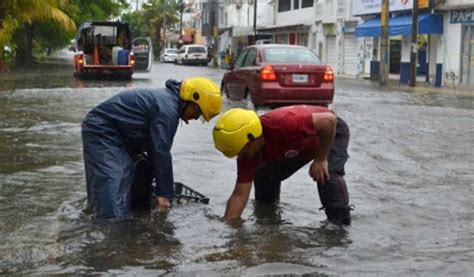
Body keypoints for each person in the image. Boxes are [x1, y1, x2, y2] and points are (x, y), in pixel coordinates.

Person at [82, 77, 222, 219]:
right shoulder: (167, 110)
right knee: (113, 191)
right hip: (102, 131)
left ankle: (124, 216)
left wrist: (164, 190)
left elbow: (156, 151)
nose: (195, 118)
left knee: (143, 170)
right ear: (192, 100)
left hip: (122, 137)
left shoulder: (169, 103)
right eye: (198, 113)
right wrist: (164, 195)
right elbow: (160, 152)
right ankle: (111, 228)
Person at [212, 106, 352, 226]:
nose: (243, 156)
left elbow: (329, 121)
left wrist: (321, 159)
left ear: (252, 136)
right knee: (263, 175)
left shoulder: (283, 123)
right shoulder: (247, 155)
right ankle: (268, 219)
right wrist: (228, 226)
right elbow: (239, 195)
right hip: (298, 147)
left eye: (243, 151)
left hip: (329, 134)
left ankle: (339, 229)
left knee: (328, 175)